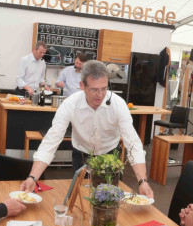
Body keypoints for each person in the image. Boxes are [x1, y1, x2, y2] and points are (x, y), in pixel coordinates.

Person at [20, 60, 154, 198]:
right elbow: (51, 141)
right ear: (82, 85)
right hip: (82, 155)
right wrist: (33, 178)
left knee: (110, 201)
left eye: (104, 88)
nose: (100, 95)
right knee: (80, 199)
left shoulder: (118, 104)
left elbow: (133, 143)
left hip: (110, 154)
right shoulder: (70, 104)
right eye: (94, 89)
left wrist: (142, 181)